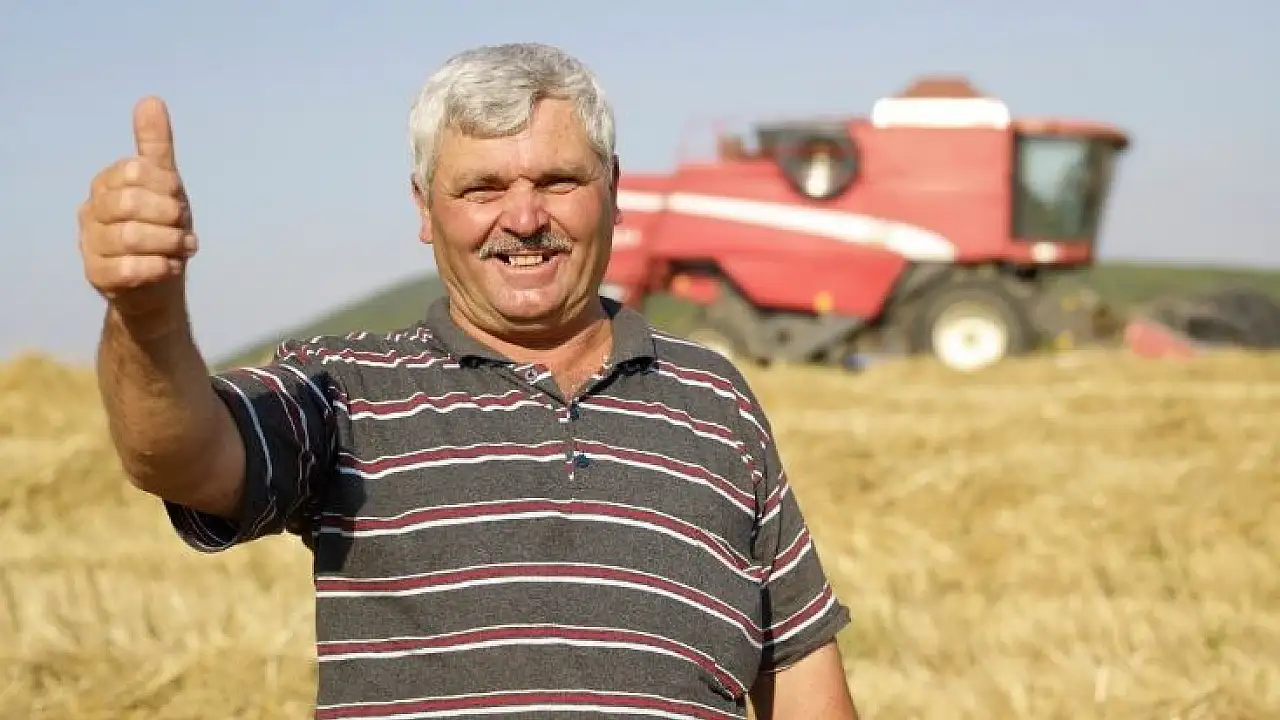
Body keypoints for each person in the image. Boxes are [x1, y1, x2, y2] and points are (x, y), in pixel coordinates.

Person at [77, 42, 860, 720]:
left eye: (558, 180)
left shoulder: (714, 401)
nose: (523, 218)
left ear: (614, 189)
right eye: (481, 189)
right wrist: (146, 319)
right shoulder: (348, 391)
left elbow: (798, 670)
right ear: (425, 207)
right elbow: (181, 457)